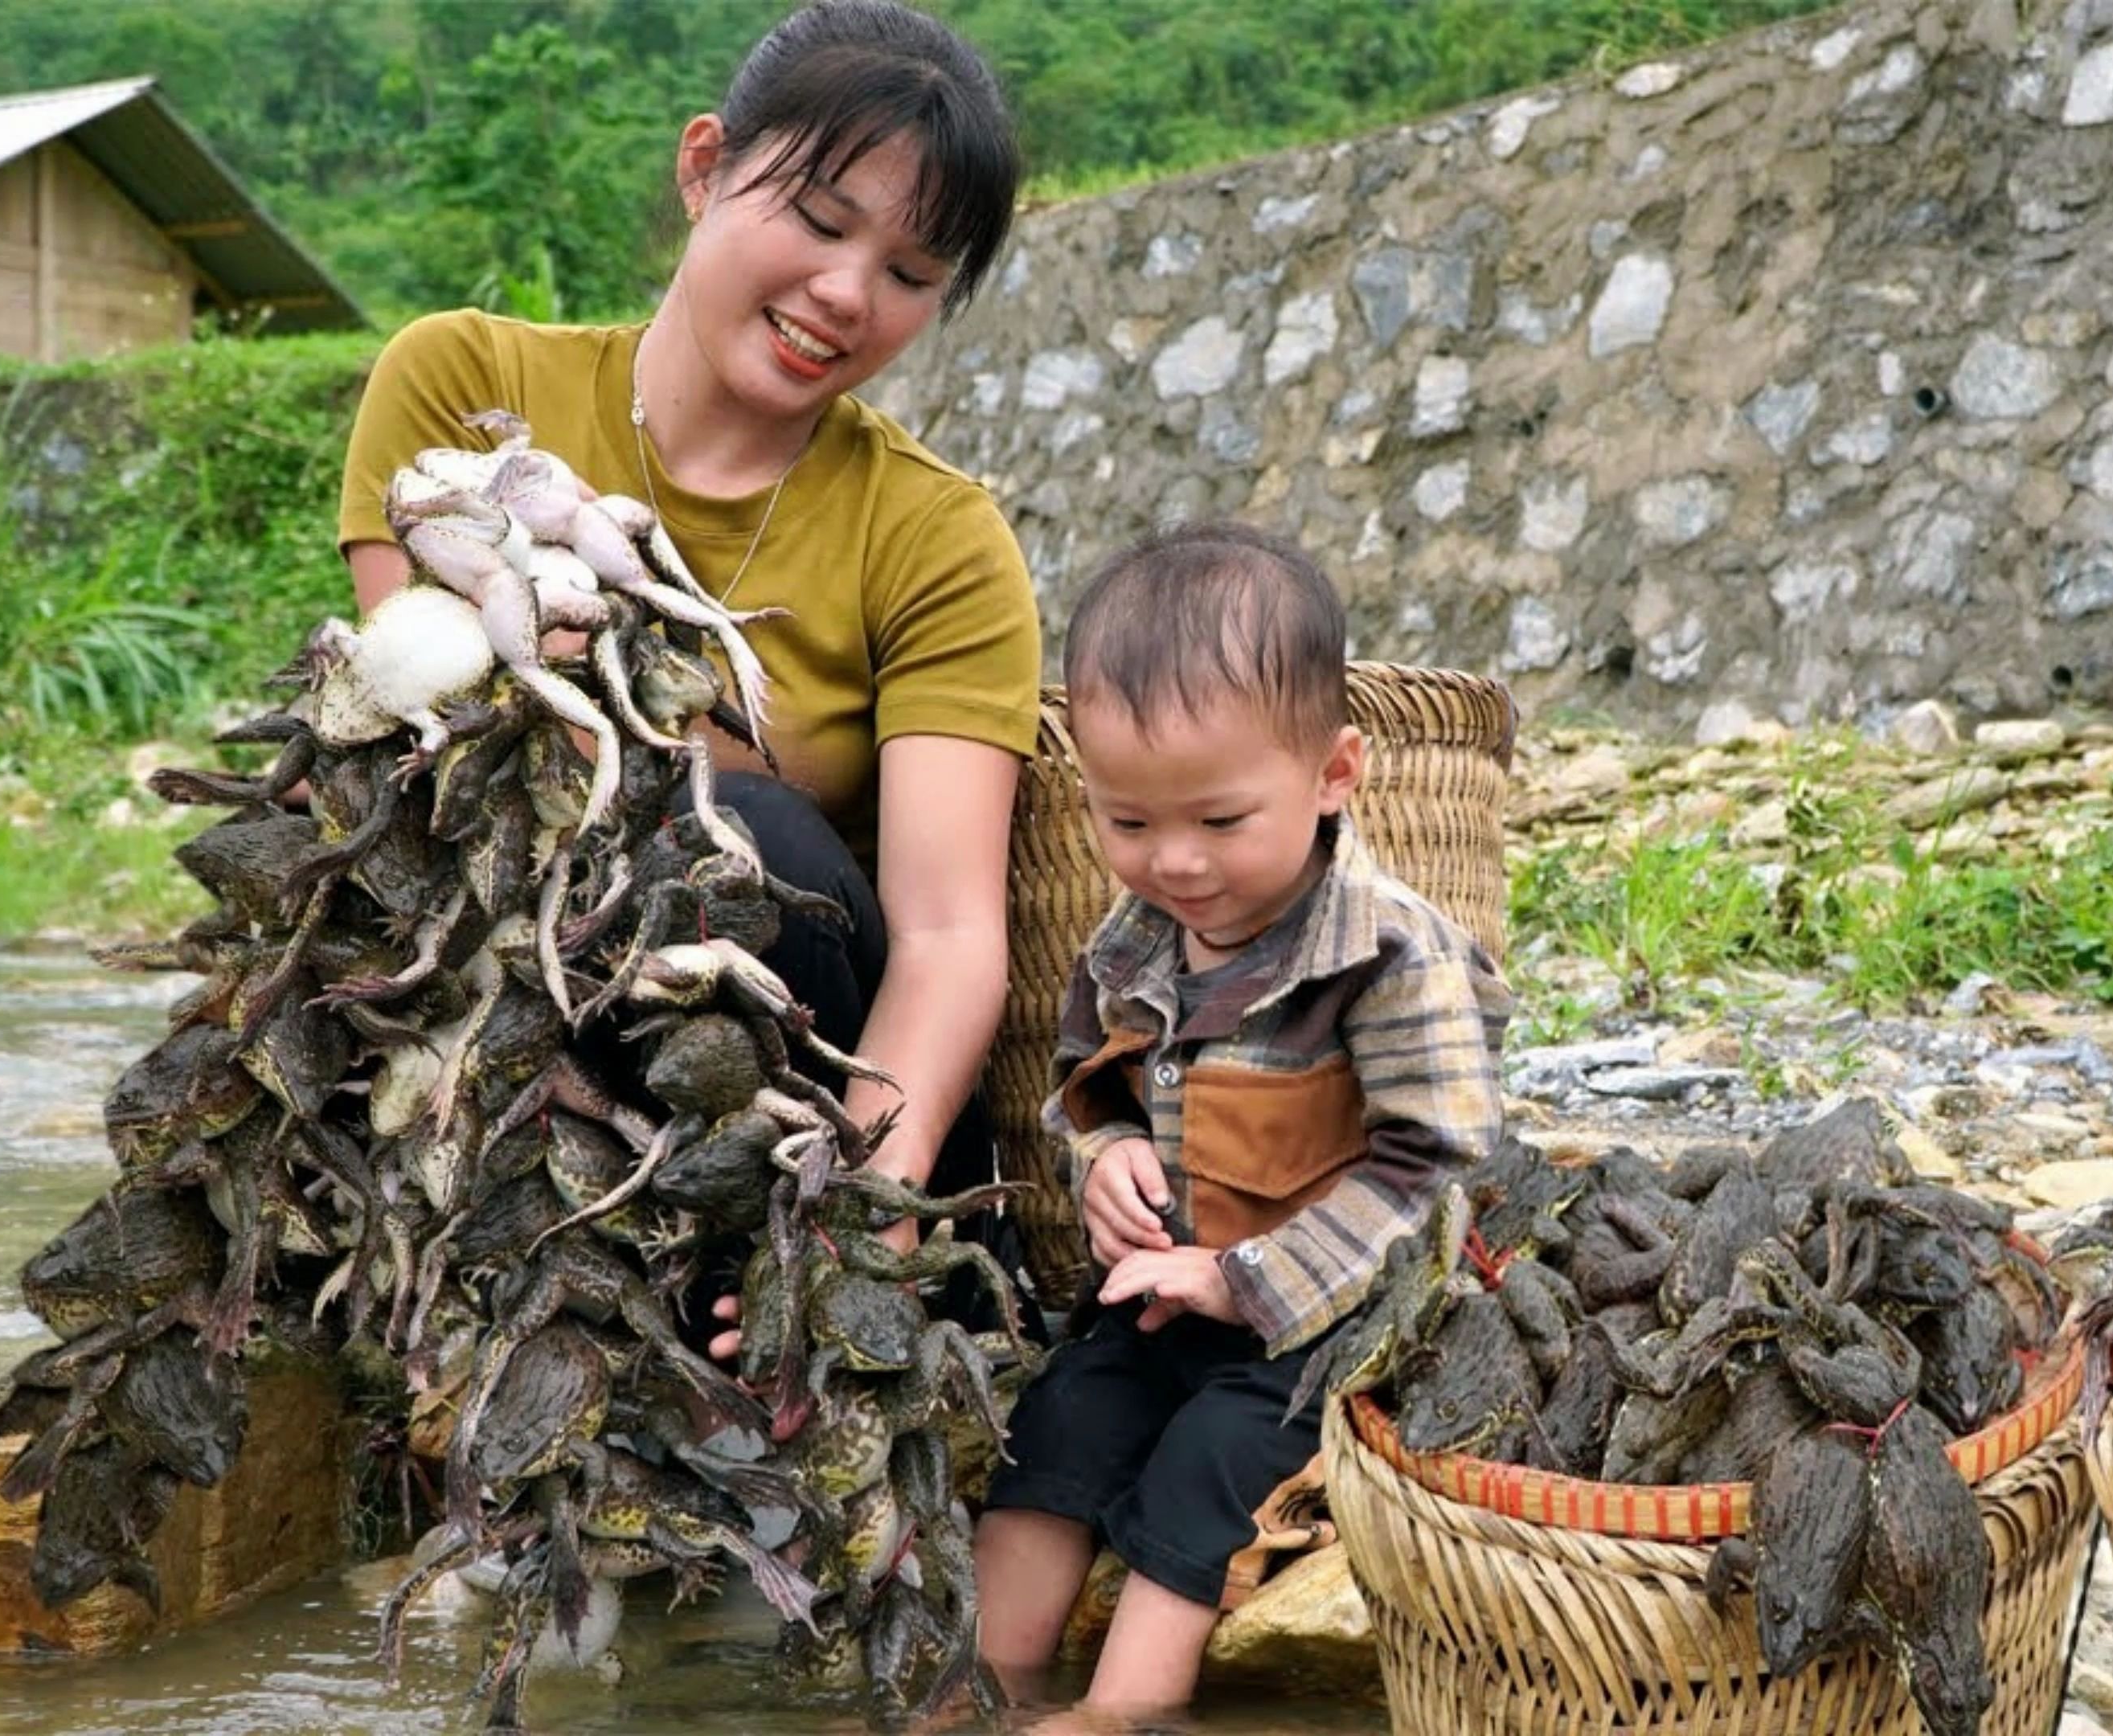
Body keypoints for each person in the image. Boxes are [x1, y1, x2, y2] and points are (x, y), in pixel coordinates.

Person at [335, 0, 1041, 1323]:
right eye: (823, 222)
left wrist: (858, 1211)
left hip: (792, 1087)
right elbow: (426, 735)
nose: (847, 293)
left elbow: (948, 937)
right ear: (705, 164)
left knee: (743, 826)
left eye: (909, 272)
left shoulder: (936, 533)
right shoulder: (463, 384)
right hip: (516, 989)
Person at [972, 521, 1512, 1721]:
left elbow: (1433, 1172)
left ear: (1333, 775)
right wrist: (1104, 1152)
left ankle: (1117, 1712)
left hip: (1328, 1322)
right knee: (1058, 1421)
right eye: (1127, 824)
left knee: (1205, 1467)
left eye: (1219, 823)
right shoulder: (1130, 940)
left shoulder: (1386, 955)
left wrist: (1249, 1280)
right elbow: (1084, 1073)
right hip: (1165, 1293)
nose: (1175, 864)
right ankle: (985, 1686)